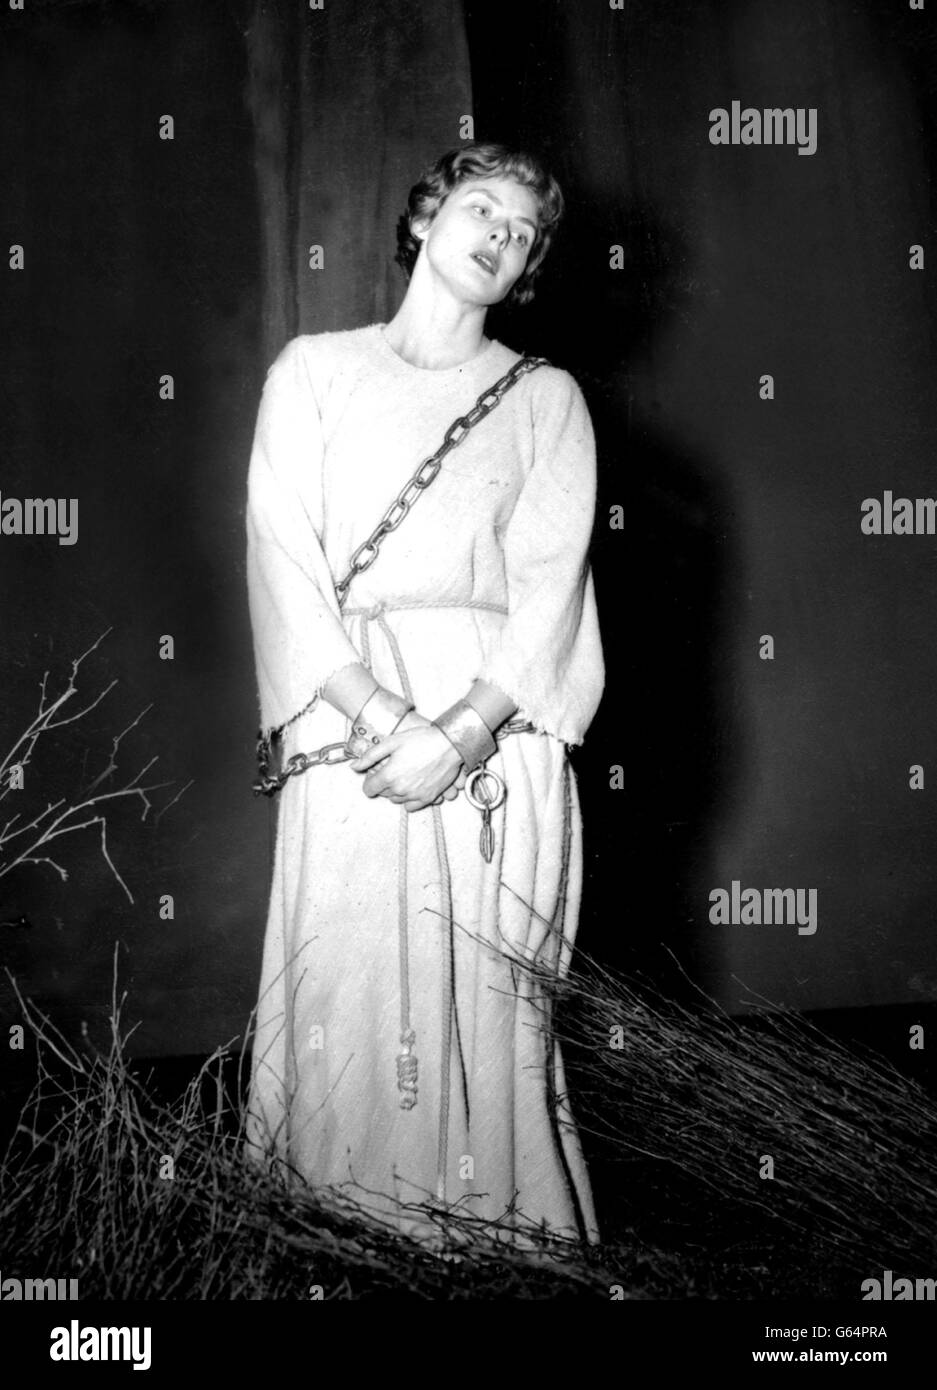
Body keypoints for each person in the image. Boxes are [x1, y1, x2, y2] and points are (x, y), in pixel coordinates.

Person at [244, 142, 604, 1249]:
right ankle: (340, 1248)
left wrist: (456, 736)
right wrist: (383, 721)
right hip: (351, 732)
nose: (499, 235)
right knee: (347, 1005)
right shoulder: (312, 370)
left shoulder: (546, 399)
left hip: (496, 744)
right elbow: (282, 560)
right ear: (427, 217)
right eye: (481, 206)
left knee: (488, 1020)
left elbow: (552, 596)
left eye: (524, 233)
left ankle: (500, 1253)